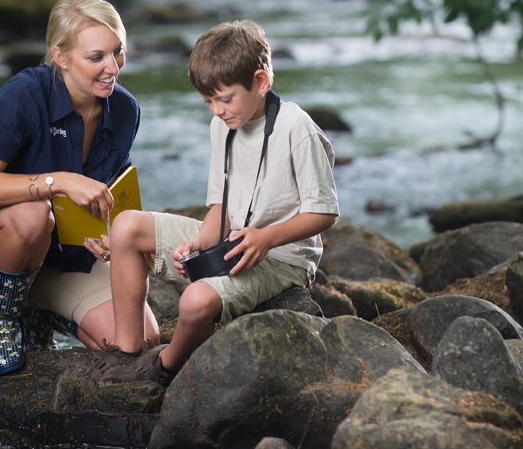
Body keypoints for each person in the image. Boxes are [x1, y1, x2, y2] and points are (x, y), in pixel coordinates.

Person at [91, 20, 339, 386]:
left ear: (261, 82)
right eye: (208, 101)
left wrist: (266, 238)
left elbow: (324, 213)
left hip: (281, 258)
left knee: (193, 302)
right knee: (126, 225)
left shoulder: (295, 127)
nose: (217, 111)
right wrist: (198, 243)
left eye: (224, 99)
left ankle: (163, 367)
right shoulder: (221, 125)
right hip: (233, 241)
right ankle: (127, 353)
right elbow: (221, 208)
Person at [0, 0, 159, 377]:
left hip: (60, 257)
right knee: (32, 213)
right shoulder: (24, 94)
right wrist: (59, 181)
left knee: (140, 343)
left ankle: (43, 315)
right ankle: (3, 321)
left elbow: (113, 193)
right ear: (60, 57)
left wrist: (111, 237)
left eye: (117, 51)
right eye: (96, 57)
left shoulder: (124, 109)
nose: (113, 67)